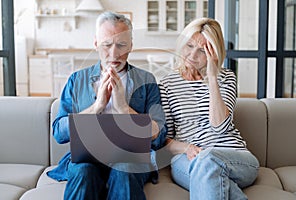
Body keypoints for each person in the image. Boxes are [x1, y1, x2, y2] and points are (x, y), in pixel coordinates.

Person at [47, 11, 166, 200]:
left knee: (125, 169)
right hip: (87, 161)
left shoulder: (146, 80)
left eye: (121, 45)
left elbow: (158, 134)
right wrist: (96, 107)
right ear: (96, 43)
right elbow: (59, 133)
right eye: (107, 45)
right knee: (83, 172)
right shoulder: (77, 80)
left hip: (130, 160)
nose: (114, 53)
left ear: (131, 46)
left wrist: (124, 109)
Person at [159, 17, 259, 200]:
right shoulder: (167, 83)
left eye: (202, 51)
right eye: (189, 46)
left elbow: (219, 127)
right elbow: (164, 139)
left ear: (214, 53)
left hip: (234, 158)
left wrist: (212, 78)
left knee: (208, 159)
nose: (192, 55)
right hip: (187, 159)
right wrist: (186, 147)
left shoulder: (226, 78)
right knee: (208, 170)